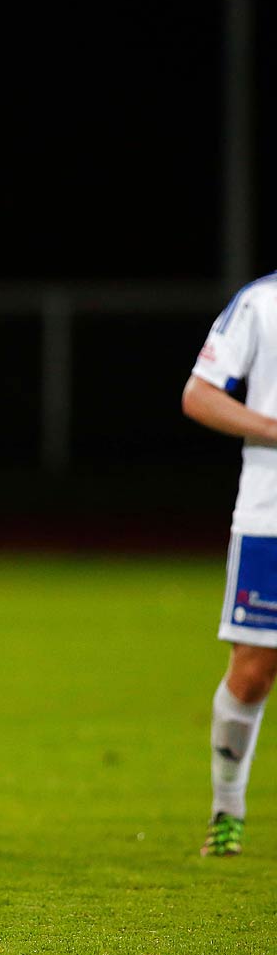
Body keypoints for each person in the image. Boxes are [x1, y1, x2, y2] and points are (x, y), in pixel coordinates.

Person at [182, 270, 277, 857]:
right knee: (253, 669)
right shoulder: (263, 303)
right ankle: (228, 809)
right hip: (272, 515)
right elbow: (200, 394)